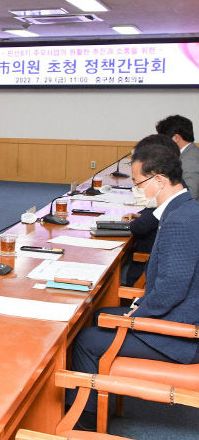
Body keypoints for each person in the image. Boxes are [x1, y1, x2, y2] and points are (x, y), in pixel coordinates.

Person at [68, 143, 199, 431]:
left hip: (182, 337)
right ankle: (99, 401)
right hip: (179, 314)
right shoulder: (183, 208)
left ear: (160, 180)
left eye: (139, 182)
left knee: (85, 341)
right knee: (95, 317)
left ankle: (83, 423)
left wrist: (136, 316)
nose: (137, 189)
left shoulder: (180, 220)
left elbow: (172, 289)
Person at [120, 134, 180, 286]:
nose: (137, 189)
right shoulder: (178, 192)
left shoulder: (174, 205)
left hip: (143, 273)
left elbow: (141, 226)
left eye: (138, 183)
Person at [156, 114, 199, 200]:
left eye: (165, 139)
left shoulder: (190, 159)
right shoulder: (186, 153)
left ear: (176, 138)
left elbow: (190, 196)